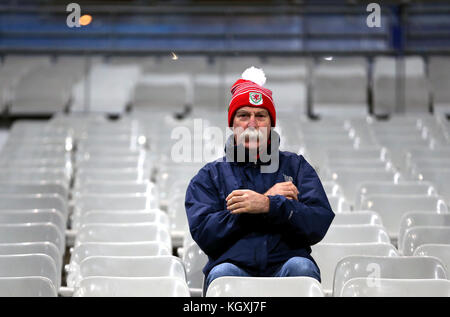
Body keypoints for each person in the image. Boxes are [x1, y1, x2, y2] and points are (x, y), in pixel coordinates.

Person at [185, 66, 335, 292]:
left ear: (270, 123)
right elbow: (206, 235)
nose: (252, 124)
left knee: (301, 268)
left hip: (286, 264)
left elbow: (317, 223)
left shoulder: (296, 166)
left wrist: (269, 206)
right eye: (244, 115)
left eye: (260, 116)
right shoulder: (209, 176)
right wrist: (263, 202)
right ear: (233, 123)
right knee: (222, 274)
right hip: (232, 266)